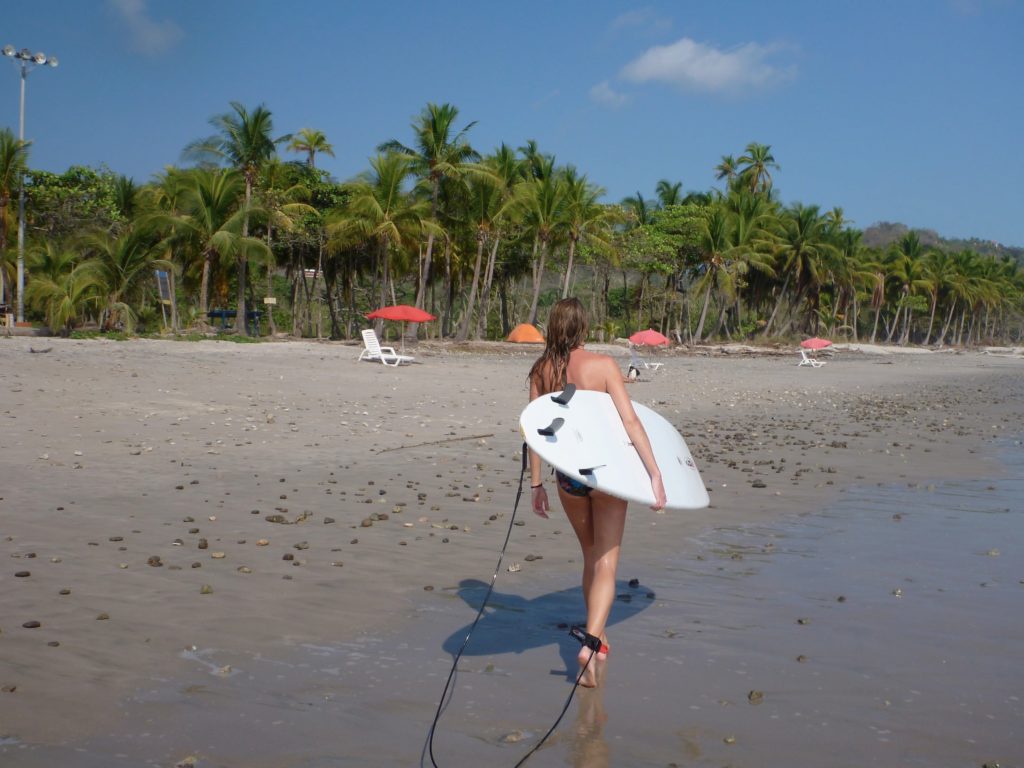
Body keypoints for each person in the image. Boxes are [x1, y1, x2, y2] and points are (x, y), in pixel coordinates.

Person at [527, 298, 666, 688]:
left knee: (589, 556)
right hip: (607, 475)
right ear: (584, 327)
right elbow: (630, 420)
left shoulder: (540, 370)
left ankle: (599, 636)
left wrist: (536, 485)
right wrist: (654, 473)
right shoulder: (603, 366)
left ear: (554, 328)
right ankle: (589, 645)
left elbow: (537, 434)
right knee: (606, 562)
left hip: (568, 476)